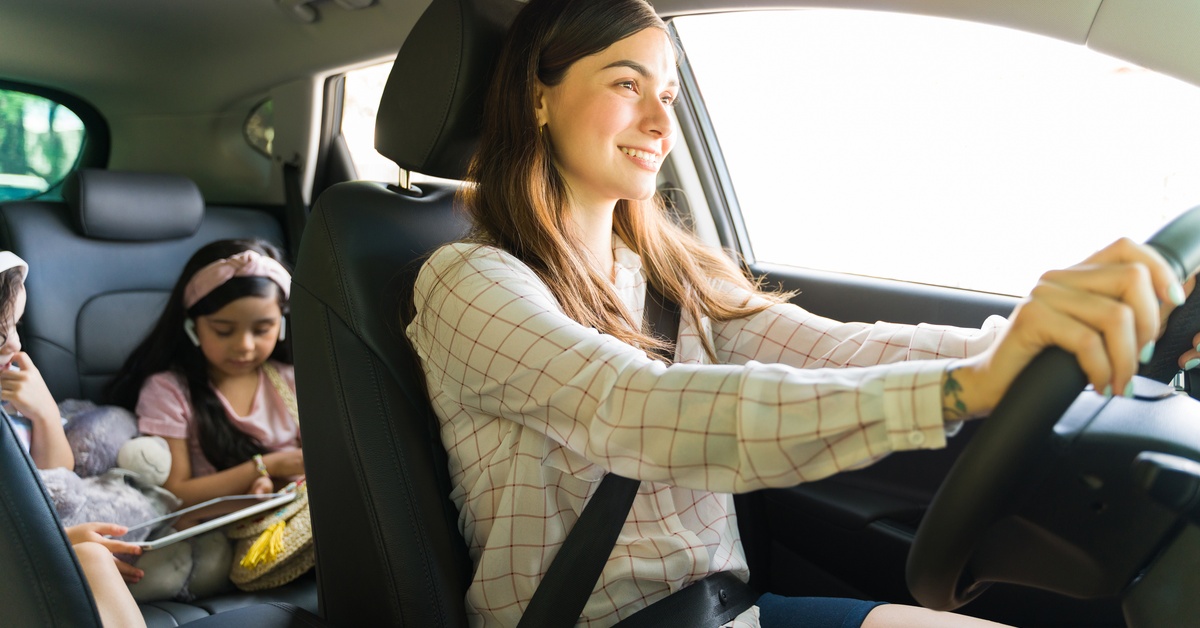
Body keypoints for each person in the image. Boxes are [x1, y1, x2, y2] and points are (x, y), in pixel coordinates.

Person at [404, 0, 1197, 626]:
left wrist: (1048, 343)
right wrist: (963, 390)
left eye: (668, 93)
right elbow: (631, 407)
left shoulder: (667, 271)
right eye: (624, 83)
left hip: (729, 613)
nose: (659, 122)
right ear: (539, 99)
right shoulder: (467, 282)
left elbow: (835, 349)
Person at [0, 251, 147, 628]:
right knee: (90, 559)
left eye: (15, 326)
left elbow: (55, 477)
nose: (13, 347)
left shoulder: (10, 398)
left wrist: (44, 413)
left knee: (90, 558)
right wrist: (56, 540)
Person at [107, 239, 303, 509]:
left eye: (261, 330)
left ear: (280, 325)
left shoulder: (294, 381)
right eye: (223, 330)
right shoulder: (169, 391)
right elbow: (175, 494)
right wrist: (267, 466)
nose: (244, 346)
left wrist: (274, 483)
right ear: (192, 326)